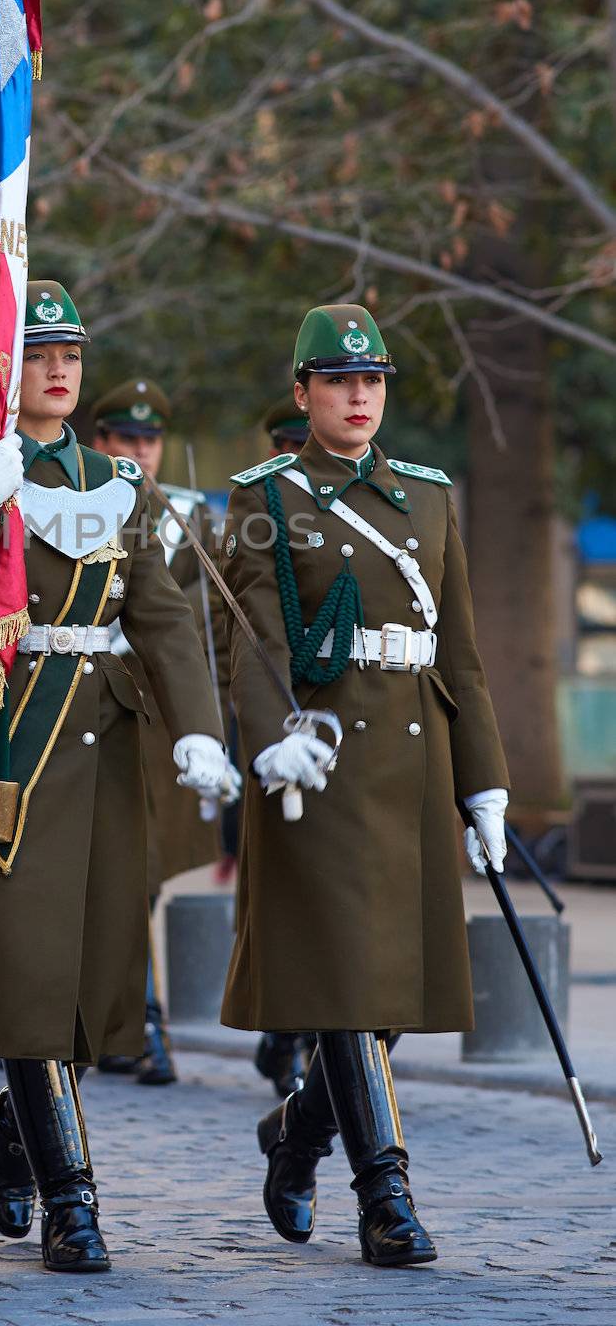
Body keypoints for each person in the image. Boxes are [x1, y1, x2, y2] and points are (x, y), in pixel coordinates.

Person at [0, 280, 226, 1273]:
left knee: (89, 977)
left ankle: (16, 1121)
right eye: (37, 351)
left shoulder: (117, 479)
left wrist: (198, 729)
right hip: (1, 755)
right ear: (2, 366)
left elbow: (159, 614)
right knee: (31, 970)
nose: (59, 368)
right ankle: (72, 1202)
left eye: (71, 351)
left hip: (102, 753)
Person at [220, 303, 510, 1269]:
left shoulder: (427, 497)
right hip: (322, 762)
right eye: (338, 380)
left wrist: (486, 785)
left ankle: (299, 1131)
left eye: (372, 380)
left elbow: (459, 657)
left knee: (383, 993)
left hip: (415, 765)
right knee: (346, 985)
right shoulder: (265, 496)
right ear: (302, 394)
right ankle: (385, 1194)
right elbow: (254, 640)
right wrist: (271, 742)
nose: (358, 395)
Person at [89, 377, 225, 1085]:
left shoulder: (195, 522)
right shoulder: (85, 503)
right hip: (93, 707)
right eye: (125, 439)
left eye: (149, 440)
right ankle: (139, 1023)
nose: (140, 452)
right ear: (101, 442)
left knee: (142, 879)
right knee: (111, 876)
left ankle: (128, 1020)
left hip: (167, 725)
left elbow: (210, 630)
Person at [249, 397, 313, 1100]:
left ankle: (298, 1041)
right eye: (286, 445)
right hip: (273, 726)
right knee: (289, 894)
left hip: (353, 733)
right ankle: (288, 1036)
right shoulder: (256, 510)